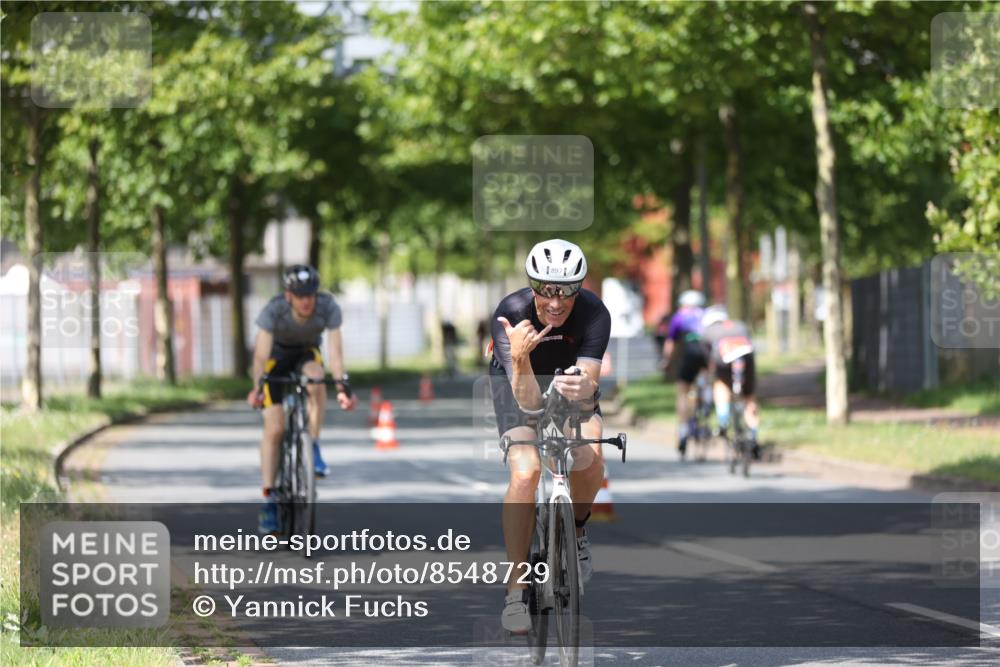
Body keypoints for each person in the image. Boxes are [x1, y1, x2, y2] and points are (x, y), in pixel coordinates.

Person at [489, 238, 611, 634]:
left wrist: (585, 389)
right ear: (531, 285)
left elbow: (590, 384)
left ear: (580, 288)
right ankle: (515, 588)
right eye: (545, 290)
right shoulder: (511, 313)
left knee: (591, 454)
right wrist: (521, 356)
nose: (555, 302)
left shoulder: (595, 313)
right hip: (517, 382)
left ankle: (575, 531)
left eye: (567, 292)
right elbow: (528, 404)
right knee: (525, 471)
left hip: (570, 382)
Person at [247, 265, 357, 534]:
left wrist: (342, 386)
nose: (306, 301)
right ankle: (270, 500)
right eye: (300, 295)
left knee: (317, 378)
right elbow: (260, 355)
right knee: (275, 428)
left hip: (306, 354)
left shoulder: (328, 307)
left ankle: (313, 446)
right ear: (288, 296)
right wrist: (257, 388)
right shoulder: (273, 310)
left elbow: (335, 350)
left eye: (310, 294)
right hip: (276, 359)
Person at [701, 305, 760, 454]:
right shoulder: (740, 325)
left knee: (721, 385)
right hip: (746, 358)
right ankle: (753, 437)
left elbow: (707, 357)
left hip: (724, 360)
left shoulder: (708, 331)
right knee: (749, 398)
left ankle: (723, 421)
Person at [660, 290, 707, 457]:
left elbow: (671, 341)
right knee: (707, 381)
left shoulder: (679, 316)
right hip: (707, 354)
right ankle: (706, 399)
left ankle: (683, 429)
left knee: (682, 391)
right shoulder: (706, 314)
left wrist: (666, 361)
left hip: (690, 354)